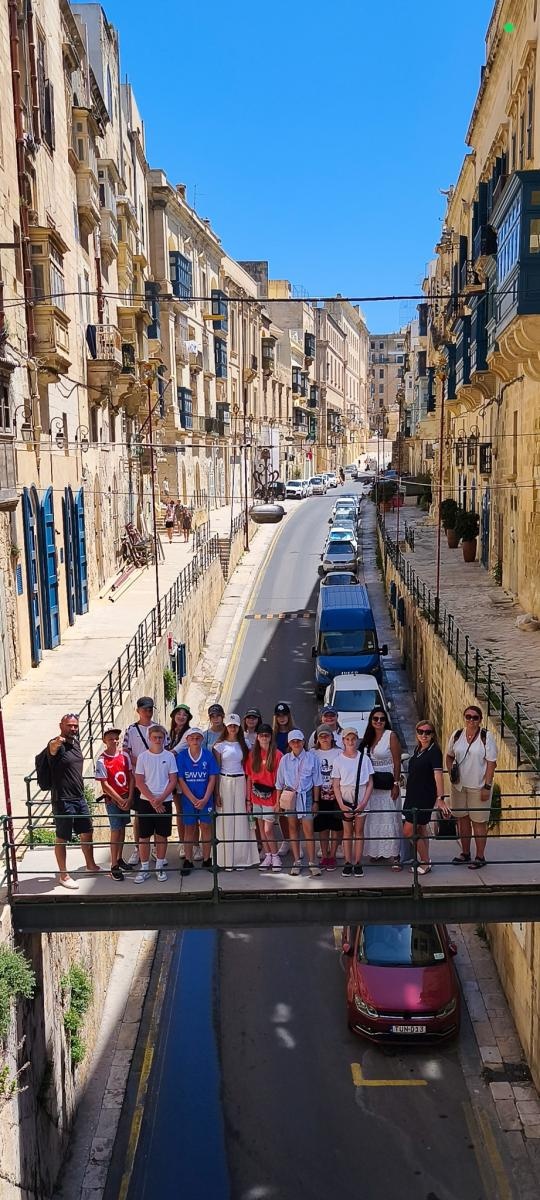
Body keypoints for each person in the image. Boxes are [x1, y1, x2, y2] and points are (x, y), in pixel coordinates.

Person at [43, 713, 101, 889]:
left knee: (87, 832)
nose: (73, 728)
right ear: (61, 725)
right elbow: (51, 749)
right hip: (62, 799)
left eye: (75, 725)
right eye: (69, 725)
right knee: (62, 837)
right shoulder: (57, 744)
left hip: (79, 797)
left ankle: (90, 865)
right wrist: (56, 742)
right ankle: (63, 875)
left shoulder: (75, 743)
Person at [446, 705, 497, 870]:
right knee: (462, 819)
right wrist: (451, 773)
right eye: (468, 716)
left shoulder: (486, 737)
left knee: (479, 821)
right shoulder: (457, 735)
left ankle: (480, 856)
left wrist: (487, 786)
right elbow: (449, 755)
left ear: (480, 720)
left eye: (475, 717)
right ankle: (465, 853)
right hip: (459, 786)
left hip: (478, 786)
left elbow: (491, 763)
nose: (471, 720)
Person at [403, 721, 450, 875]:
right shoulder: (418, 749)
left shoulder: (434, 751)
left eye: (427, 732)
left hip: (423, 796)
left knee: (408, 831)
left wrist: (440, 798)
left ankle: (424, 862)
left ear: (432, 734)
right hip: (412, 794)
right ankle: (426, 860)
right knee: (421, 828)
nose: (424, 735)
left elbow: (438, 774)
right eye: (420, 731)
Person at [214, 715, 260, 869]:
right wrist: (216, 793)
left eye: (235, 725)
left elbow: (248, 768)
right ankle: (226, 860)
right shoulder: (219, 746)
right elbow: (217, 769)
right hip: (224, 781)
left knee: (241, 819)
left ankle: (241, 859)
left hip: (240, 781)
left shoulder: (245, 743)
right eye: (230, 725)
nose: (232, 728)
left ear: (239, 727)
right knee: (225, 821)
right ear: (226, 727)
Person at [275, 730, 322, 877]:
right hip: (291, 796)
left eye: (298, 741)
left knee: (309, 829)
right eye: (293, 741)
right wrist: (278, 803)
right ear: (289, 743)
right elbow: (279, 783)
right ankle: (297, 861)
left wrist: (315, 801)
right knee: (293, 828)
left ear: (303, 742)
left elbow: (316, 783)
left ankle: (312, 862)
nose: (296, 744)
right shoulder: (285, 760)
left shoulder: (311, 758)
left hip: (306, 795)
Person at [134, 725, 177, 883]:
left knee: (162, 836)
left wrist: (161, 798)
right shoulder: (143, 757)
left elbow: (173, 780)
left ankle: (159, 866)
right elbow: (139, 781)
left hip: (164, 801)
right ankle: (144, 867)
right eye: (155, 737)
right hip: (146, 802)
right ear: (149, 738)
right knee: (144, 836)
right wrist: (153, 799)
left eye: (161, 737)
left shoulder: (170, 756)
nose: (158, 740)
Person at [123, 696, 163, 866]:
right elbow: (125, 750)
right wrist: (141, 763)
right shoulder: (131, 730)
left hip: (157, 778)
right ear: (138, 710)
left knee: (157, 812)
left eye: (150, 709)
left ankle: (155, 848)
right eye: (145, 709)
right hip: (139, 779)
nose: (148, 712)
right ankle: (138, 848)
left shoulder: (159, 729)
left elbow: (164, 750)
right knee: (139, 815)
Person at [361, 707, 402, 870]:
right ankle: (378, 851)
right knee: (374, 818)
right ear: (371, 721)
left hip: (387, 782)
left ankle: (395, 854)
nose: (378, 721)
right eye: (375, 719)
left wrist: (396, 784)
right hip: (372, 784)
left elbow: (397, 761)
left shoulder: (390, 736)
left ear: (386, 721)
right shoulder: (368, 738)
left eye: (382, 719)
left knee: (389, 818)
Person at [175, 727, 220, 873]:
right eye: (192, 738)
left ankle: (207, 859)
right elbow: (181, 779)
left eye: (197, 738)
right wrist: (193, 798)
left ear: (201, 739)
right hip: (189, 799)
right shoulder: (182, 756)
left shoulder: (207, 755)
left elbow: (212, 777)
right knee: (189, 828)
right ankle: (188, 860)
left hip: (205, 798)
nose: (195, 741)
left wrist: (206, 797)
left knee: (206, 827)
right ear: (187, 740)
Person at [332, 728, 374, 877]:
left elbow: (370, 783)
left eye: (353, 739)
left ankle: (358, 862)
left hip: (361, 796)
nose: (350, 742)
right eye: (347, 739)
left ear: (357, 740)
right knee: (347, 833)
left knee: (359, 832)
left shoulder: (364, 759)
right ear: (343, 741)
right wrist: (341, 804)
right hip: (345, 796)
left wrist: (363, 802)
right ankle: (348, 862)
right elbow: (336, 785)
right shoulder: (338, 760)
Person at [94, 728, 134, 881]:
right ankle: (113, 865)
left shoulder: (124, 755)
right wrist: (120, 799)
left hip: (124, 797)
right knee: (115, 830)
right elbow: (105, 786)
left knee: (122, 828)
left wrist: (129, 797)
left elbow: (130, 777)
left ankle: (119, 858)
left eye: (116, 738)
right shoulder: (102, 760)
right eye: (111, 738)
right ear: (105, 741)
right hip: (113, 800)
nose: (114, 741)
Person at [246, 724, 282, 870]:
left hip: (271, 795)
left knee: (268, 829)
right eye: (261, 735)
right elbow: (249, 777)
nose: (264, 738)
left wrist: (278, 801)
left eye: (267, 735)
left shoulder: (277, 755)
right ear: (257, 737)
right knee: (260, 828)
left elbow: (280, 780)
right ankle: (268, 855)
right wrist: (248, 799)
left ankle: (275, 856)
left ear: (271, 737)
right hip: (256, 795)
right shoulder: (253, 754)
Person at [312, 725, 342, 870]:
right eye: (321, 736)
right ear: (317, 738)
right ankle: (324, 855)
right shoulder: (312, 753)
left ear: (332, 737)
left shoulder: (339, 752)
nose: (324, 738)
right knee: (323, 827)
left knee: (336, 826)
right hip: (319, 794)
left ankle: (333, 856)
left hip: (336, 794)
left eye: (327, 735)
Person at [272, 702, 296, 854]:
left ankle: (295, 843)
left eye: (284, 715)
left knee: (293, 812)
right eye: (279, 716)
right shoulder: (272, 734)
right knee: (281, 811)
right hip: (276, 776)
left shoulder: (295, 732)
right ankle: (286, 840)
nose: (282, 718)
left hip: (293, 777)